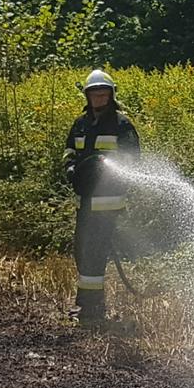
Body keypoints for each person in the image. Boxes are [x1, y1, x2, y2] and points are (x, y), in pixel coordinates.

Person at [62, 69, 140, 330]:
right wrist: (71, 169)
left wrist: (105, 171)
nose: (99, 98)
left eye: (103, 94)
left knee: (95, 254)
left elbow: (131, 161)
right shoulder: (80, 124)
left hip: (107, 204)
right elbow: (69, 152)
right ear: (88, 96)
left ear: (110, 96)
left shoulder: (121, 125)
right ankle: (86, 303)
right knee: (82, 252)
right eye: (94, 94)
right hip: (85, 202)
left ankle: (93, 310)